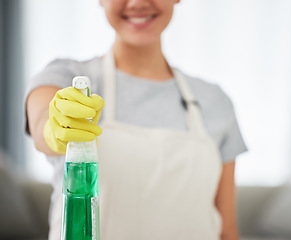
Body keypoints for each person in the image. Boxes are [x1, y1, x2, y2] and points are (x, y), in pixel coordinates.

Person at [25, 0, 247, 239]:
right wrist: (53, 128)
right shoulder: (70, 78)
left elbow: (227, 231)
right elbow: (41, 123)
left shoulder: (214, 101)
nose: (138, 2)